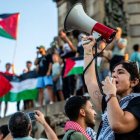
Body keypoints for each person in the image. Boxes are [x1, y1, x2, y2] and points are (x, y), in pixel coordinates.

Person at [83, 35, 140, 140]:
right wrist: (87, 50)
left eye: (120, 72)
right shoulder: (110, 102)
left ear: (134, 82)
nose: (114, 75)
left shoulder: (137, 101)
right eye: (113, 72)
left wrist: (110, 94)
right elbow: (90, 80)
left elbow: (118, 124)